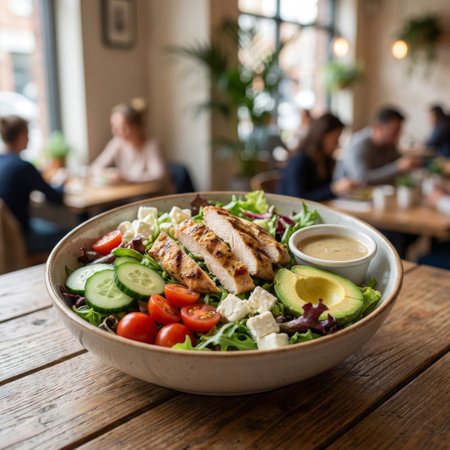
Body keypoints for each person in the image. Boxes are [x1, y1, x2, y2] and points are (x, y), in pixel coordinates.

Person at [0, 115, 68, 254]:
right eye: (28, 134)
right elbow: (56, 198)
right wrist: (60, 181)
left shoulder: (4, 161)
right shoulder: (23, 167)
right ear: (21, 135)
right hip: (20, 237)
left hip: (4, 238)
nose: (29, 139)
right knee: (69, 236)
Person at [90, 98, 174, 191]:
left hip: (152, 197)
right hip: (129, 195)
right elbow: (96, 166)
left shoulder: (152, 145)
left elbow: (159, 175)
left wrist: (127, 177)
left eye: (124, 127)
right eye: (115, 127)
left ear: (137, 126)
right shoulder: (117, 143)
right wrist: (108, 174)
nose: (119, 131)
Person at [278, 113, 361, 201]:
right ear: (322, 136)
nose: (337, 144)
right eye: (335, 139)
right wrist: (333, 189)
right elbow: (297, 200)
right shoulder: (299, 160)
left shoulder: (326, 160)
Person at [333, 107, 422, 185]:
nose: (397, 136)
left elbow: (396, 162)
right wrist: (398, 167)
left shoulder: (389, 144)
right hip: (345, 200)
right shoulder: (360, 145)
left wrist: (409, 162)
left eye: (399, 132)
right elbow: (362, 179)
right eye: (394, 131)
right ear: (377, 128)